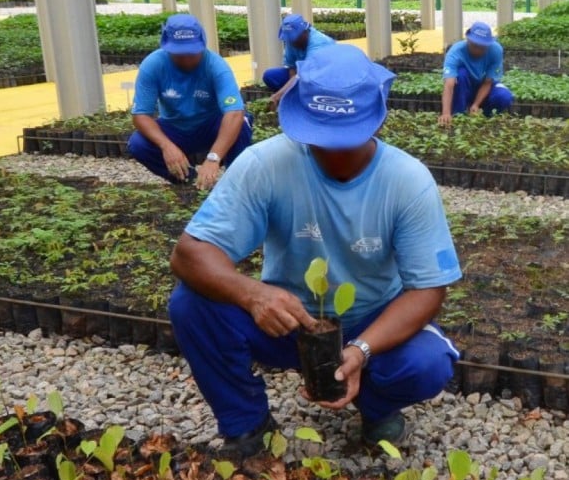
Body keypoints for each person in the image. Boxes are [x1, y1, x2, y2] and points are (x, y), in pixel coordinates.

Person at [170, 43, 462, 456]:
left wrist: (361, 350)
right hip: (290, 322)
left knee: (426, 363)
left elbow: (429, 290)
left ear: (375, 123)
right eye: (321, 138)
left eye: (347, 137)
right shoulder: (265, 165)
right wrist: (253, 294)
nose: (333, 150)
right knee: (191, 304)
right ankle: (247, 425)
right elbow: (188, 253)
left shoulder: (407, 181)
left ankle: (375, 408)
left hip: (368, 321)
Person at [127, 13, 252, 190]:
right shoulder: (153, 65)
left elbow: (234, 112)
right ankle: (191, 181)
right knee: (138, 144)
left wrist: (213, 158)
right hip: (175, 128)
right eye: (179, 54)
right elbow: (141, 115)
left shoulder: (216, 66)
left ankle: (236, 186)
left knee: (242, 124)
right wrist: (167, 146)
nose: (186, 59)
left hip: (210, 126)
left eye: (192, 53)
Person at [439, 21, 514, 127]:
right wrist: (445, 113)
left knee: (504, 96)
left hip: (485, 87)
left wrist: (476, 104)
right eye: (475, 45)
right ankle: (458, 115)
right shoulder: (455, 51)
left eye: (482, 47)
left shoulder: (496, 50)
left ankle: (483, 117)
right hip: (465, 87)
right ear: (468, 40)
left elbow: (488, 82)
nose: (478, 50)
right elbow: (449, 84)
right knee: (461, 74)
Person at [262, 13, 334, 107]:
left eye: (293, 38)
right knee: (270, 75)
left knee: (310, 85)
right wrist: (291, 90)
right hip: (303, 75)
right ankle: (295, 99)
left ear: (304, 32)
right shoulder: (291, 41)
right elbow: (292, 67)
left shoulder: (318, 43)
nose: (291, 42)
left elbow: (306, 74)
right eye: (289, 39)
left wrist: (277, 96)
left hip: (324, 77)